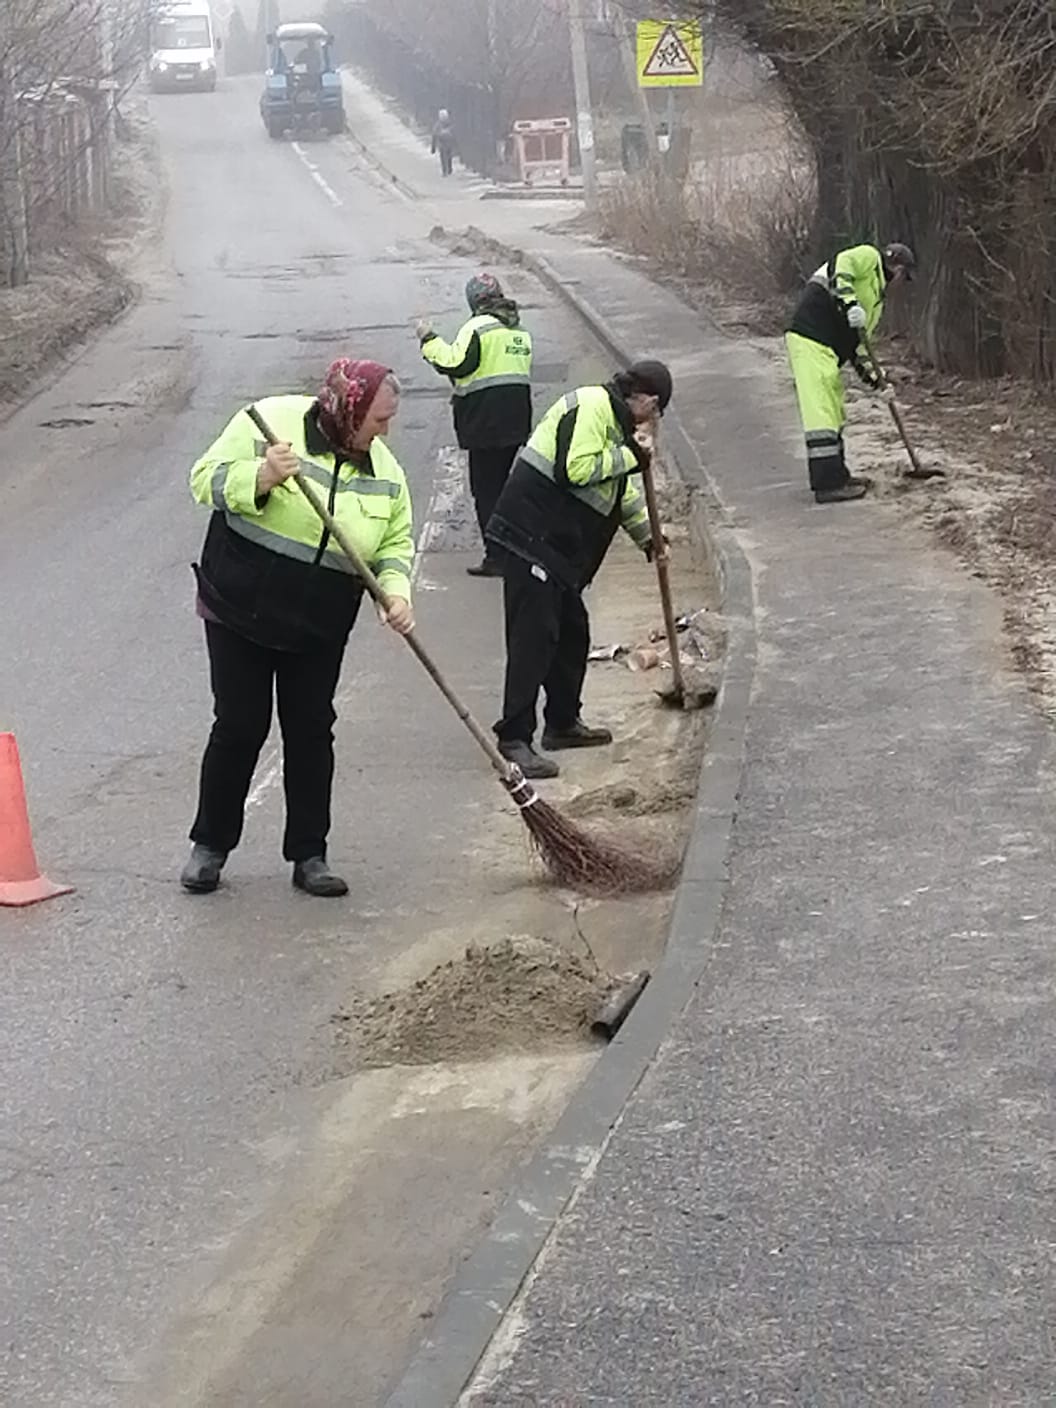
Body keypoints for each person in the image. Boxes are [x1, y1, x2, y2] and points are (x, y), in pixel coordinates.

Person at [181, 359, 414, 898]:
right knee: (240, 724)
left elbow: (395, 543)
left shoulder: (386, 473)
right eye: (378, 420)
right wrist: (258, 477)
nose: (385, 431)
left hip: (319, 622)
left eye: (389, 420)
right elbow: (203, 479)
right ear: (346, 407)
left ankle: (310, 855)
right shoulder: (268, 422)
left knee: (311, 731)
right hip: (239, 605)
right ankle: (210, 846)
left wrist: (396, 593)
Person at [485, 360, 673, 779]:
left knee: (572, 634)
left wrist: (649, 537)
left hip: (558, 551)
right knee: (534, 638)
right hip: (531, 533)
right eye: (658, 412)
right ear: (647, 401)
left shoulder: (618, 429)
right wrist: (632, 455)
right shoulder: (592, 406)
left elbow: (618, 494)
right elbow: (576, 469)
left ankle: (562, 722)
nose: (655, 422)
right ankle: (514, 737)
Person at [416, 272, 533, 577]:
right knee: (503, 486)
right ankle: (515, 548)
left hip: (486, 422)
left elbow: (456, 363)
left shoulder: (478, 327)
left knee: (486, 491)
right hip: (516, 420)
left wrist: (429, 340)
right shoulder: (518, 329)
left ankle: (497, 556)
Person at [785, 241, 916, 504]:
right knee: (820, 413)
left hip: (829, 350)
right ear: (898, 269)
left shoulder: (876, 301)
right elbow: (840, 266)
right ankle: (826, 484)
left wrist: (879, 384)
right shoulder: (868, 256)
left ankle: (839, 476)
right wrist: (850, 303)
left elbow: (859, 349)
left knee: (834, 410)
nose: (902, 284)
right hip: (810, 337)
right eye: (906, 277)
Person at [431, 109, 456, 177]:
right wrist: (433, 147)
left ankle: (448, 169)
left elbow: (434, 135)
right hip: (443, 144)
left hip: (446, 144)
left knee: (447, 157)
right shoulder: (440, 125)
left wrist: (433, 147)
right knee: (445, 157)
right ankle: (446, 170)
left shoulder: (441, 125)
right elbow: (434, 135)